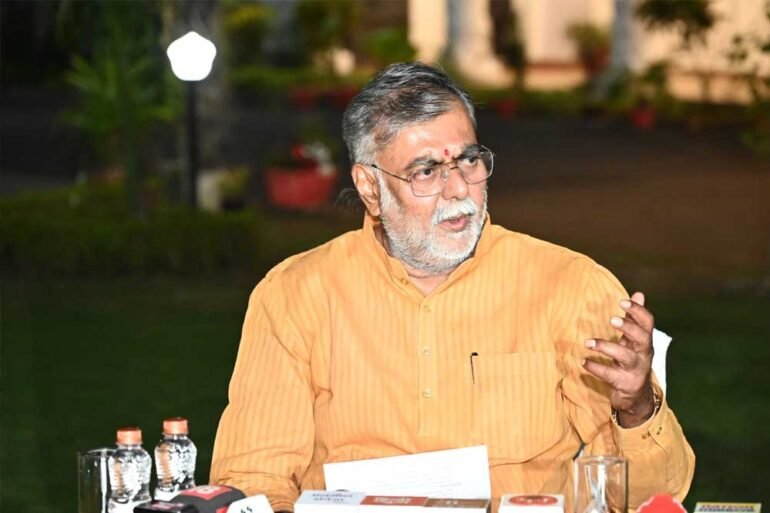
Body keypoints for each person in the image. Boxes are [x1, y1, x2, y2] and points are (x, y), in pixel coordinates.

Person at [210, 62, 694, 513]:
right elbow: (254, 479)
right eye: (426, 171)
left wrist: (637, 409)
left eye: (468, 160)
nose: (459, 188)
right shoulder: (294, 296)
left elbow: (650, 498)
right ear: (370, 187)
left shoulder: (569, 286)